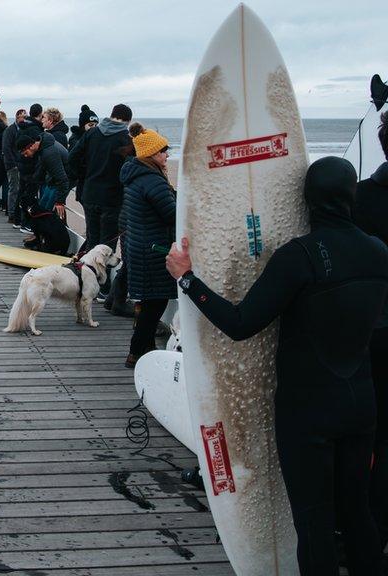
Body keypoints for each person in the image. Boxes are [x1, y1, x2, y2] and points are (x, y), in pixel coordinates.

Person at [166, 156, 388, 575]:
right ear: (352, 195)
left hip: (308, 413)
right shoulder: (378, 251)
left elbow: (240, 323)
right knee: (358, 514)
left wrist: (188, 278)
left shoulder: (299, 256)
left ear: (306, 200)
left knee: (314, 522)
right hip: (362, 405)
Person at [352, 109, 388, 549]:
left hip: (370, 329)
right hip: (375, 329)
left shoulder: (360, 198)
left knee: (373, 436)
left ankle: (370, 531)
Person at [119, 125, 176, 368]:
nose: (166, 156)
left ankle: (147, 349)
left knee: (151, 302)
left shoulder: (136, 177)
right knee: (156, 303)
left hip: (140, 246)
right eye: (163, 151)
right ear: (152, 154)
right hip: (153, 249)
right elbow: (172, 214)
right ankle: (136, 352)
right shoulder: (152, 180)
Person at [69, 103, 133, 251]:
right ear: (128, 121)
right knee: (107, 245)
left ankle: (87, 272)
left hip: (90, 193)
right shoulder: (126, 140)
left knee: (92, 239)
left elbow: (72, 157)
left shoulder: (92, 133)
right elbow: (130, 170)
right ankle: (100, 273)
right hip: (112, 198)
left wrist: (83, 175)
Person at [16, 131, 70, 254]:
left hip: (64, 180)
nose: (25, 156)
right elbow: (40, 171)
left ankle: (53, 242)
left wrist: (60, 201)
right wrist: (31, 185)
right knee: (42, 206)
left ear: (30, 146)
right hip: (53, 180)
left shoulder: (49, 153)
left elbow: (63, 179)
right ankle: (39, 237)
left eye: (25, 153)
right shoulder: (42, 147)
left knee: (47, 210)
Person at [68, 105, 99, 203]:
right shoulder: (76, 141)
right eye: (90, 125)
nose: (93, 128)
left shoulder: (94, 139)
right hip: (84, 185)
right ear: (83, 125)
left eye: (95, 125)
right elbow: (73, 161)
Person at [2, 109, 25, 225]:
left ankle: (15, 212)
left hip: (20, 163)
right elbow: (6, 148)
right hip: (12, 164)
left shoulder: (23, 130)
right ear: (17, 117)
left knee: (17, 188)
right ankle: (11, 213)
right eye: (22, 117)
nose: (24, 119)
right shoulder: (10, 130)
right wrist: (13, 163)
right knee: (14, 188)